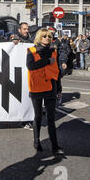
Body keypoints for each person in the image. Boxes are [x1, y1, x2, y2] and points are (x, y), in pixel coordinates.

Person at [26, 28, 64, 156]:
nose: (47, 38)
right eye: (44, 36)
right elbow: (30, 66)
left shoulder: (54, 51)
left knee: (51, 118)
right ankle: (36, 141)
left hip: (51, 88)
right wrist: (46, 61)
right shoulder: (31, 51)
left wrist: (59, 88)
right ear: (39, 38)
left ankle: (55, 146)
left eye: (49, 36)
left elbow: (56, 72)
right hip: (37, 87)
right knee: (37, 117)